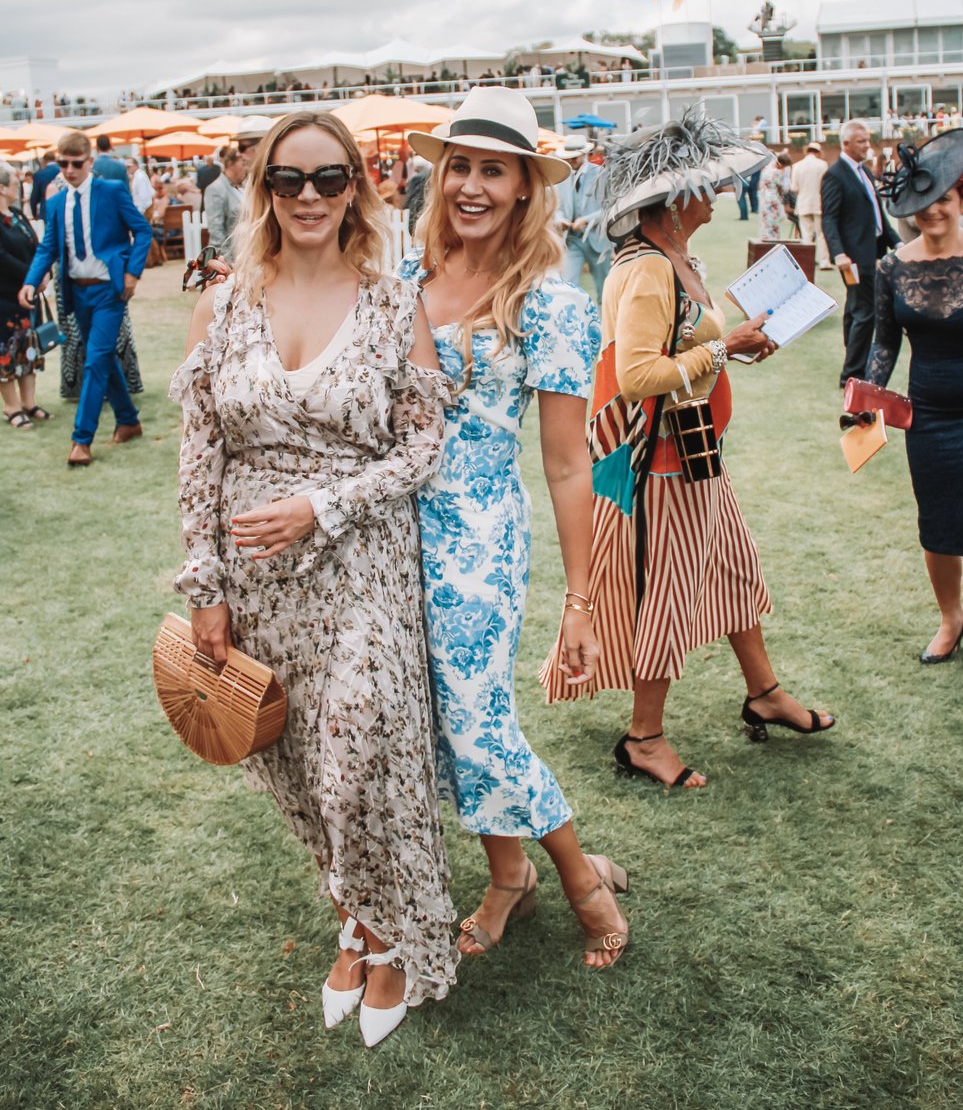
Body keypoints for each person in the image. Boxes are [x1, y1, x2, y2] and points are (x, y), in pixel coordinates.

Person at [172, 109, 455, 1047]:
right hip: (256, 582)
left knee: (357, 759)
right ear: (261, 191)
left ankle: (398, 941)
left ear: (356, 190)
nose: (307, 197)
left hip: (360, 562)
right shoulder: (223, 306)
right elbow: (198, 457)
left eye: (328, 179)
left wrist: (324, 505)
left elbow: (424, 445)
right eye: (287, 180)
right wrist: (204, 584)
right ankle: (359, 925)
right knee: (298, 766)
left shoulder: (388, 301)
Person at [404, 88, 630, 971]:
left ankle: (580, 880)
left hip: (479, 541)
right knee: (434, 720)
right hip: (393, 538)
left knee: (478, 721)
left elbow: (570, 463)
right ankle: (508, 878)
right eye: (459, 165)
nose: (470, 185)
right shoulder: (405, 286)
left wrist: (581, 601)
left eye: (492, 170)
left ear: (527, 187)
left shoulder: (552, 303)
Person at [541, 109, 834, 784]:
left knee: (735, 573)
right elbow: (638, 375)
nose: (717, 194)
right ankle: (644, 738)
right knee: (665, 601)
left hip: (699, 458)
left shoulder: (678, 259)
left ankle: (763, 692)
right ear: (673, 202)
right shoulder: (645, 271)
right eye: (705, 186)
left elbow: (684, 353)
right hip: (663, 469)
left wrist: (733, 349)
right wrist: (721, 347)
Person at [861, 130, 963, 687]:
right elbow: (883, 342)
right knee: (935, 522)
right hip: (928, 415)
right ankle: (951, 618)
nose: (934, 210)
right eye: (923, 202)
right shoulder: (892, 266)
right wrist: (867, 401)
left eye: (945, 198)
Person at [18, 131, 151, 467]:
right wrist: (31, 282)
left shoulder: (112, 190)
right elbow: (48, 248)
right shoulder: (55, 203)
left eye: (76, 163)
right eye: (63, 163)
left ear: (89, 162)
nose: (70, 169)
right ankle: (129, 420)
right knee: (102, 357)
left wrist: (133, 273)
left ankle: (81, 440)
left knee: (94, 360)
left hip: (110, 290)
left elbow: (143, 230)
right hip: (77, 292)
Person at [821, 120, 898, 386]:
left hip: (872, 250)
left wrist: (897, 242)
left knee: (856, 310)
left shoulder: (863, 172)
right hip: (854, 256)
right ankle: (853, 373)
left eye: (867, 140)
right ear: (846, 144)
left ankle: (853, 366)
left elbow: (878, 216)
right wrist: (839, 253)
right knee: (866, 312)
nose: (867, 145)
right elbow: (829, 219)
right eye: (861, 141)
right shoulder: (836, 174)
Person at [0, 162, 49, 427]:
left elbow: (38, 247)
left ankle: (29, 402)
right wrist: (31, 276)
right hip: (5, 297)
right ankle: (11, 407)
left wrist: (43, 274)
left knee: (28, 351)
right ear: (1, 188)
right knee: (6, 353)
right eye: (14, 183)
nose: (18, 188)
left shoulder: (17, 214)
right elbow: (2, 257)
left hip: (27, 296)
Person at [555, 135, 613, 302]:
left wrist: (586, 220)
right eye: (568, 157)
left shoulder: (601, 174)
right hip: (572, 241)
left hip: (598, 241)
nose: (571, 160)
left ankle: (608, 325)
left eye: (574, 157)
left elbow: (609, 208)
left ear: (584, 155)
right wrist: (560, 220)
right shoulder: (562, 177)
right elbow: (557, 207)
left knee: (605, 290)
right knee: (566, 285)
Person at [791, 142, 833, 267]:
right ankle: (824, 261)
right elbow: (827, 186)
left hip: (803, 202)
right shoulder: (823, 165)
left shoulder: (797, 166)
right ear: (818, 152)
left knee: (806, 234)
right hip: (819, 202)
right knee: (821, 233)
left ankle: (807, 261)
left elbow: (794, 187)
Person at [202, 146, 246, 259]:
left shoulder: (244, 188)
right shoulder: (215, 189)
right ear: (231, 164)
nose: (246, 168)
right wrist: (228, 263)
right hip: (230, 258)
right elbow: (216, 231)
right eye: (243, 163)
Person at [757, 150, 792, 240]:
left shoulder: (766, 169)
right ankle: (773, 239)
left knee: (765, 222)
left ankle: (765, 238)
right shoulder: (776, 173)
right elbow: (784, 188)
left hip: (764, 197)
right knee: (773, 222)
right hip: (773, 199)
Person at [29, 150, 60, 219]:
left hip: (46, 210)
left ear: (44, 160)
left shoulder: (39, 174)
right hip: (63, 208)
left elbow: (34, 196)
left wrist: (34, 214)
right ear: (55, 159)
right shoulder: (62, 171)